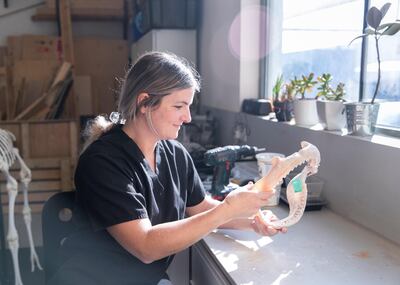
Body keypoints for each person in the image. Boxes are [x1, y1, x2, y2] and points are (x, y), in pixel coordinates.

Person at [49, 51, 286, 285]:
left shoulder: (175, 154)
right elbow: (146, 247)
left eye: (189, 106)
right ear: (144, 103)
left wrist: (251, 221)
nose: (188, 117)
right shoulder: (102, 162)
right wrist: (228, 208)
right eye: (179, 106)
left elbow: (201, 207)